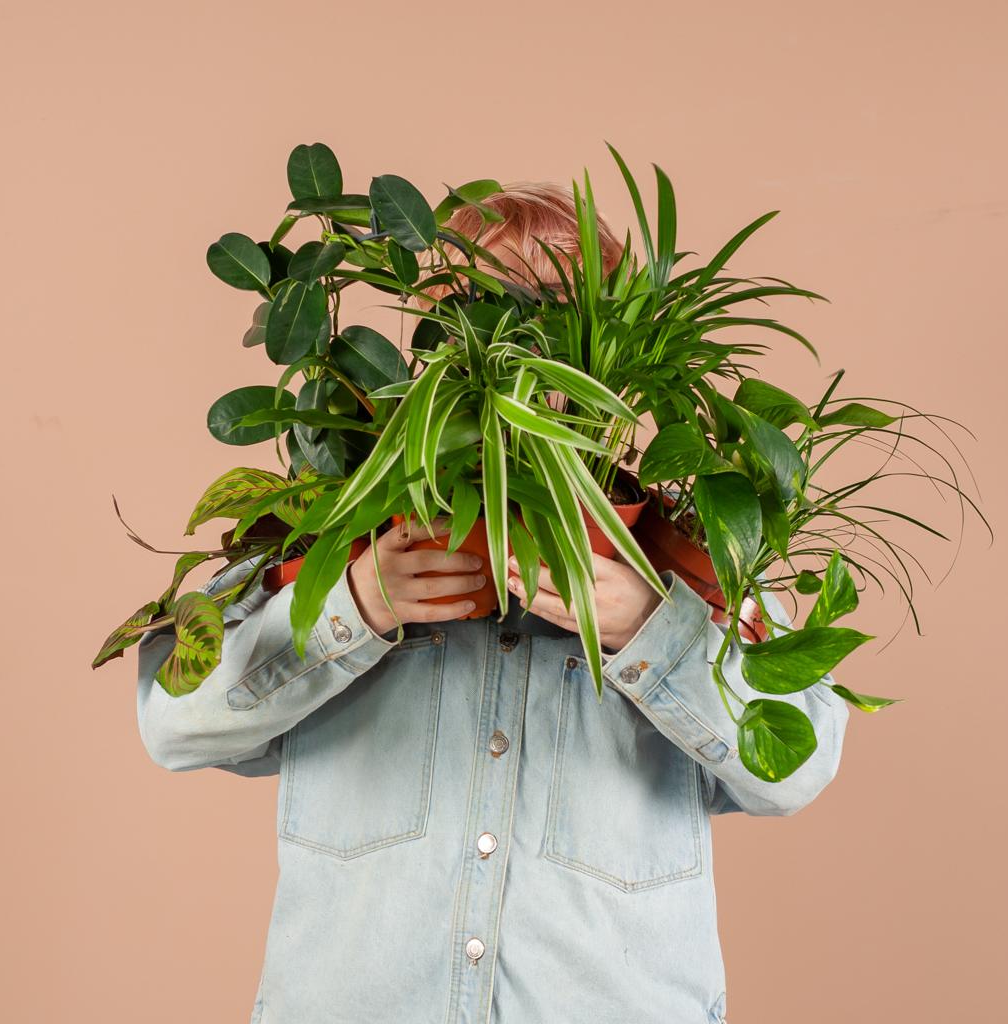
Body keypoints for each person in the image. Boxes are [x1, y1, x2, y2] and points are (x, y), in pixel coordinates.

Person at [136, 182, 850, 1024]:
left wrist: (648, 629)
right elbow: (171, 723)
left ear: (614, 352)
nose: (517, 351)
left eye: (556, 316)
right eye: (483, 308)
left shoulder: (691, 552)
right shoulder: (331, 520)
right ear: (432, 344)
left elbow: (796, 771)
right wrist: (354, 607)